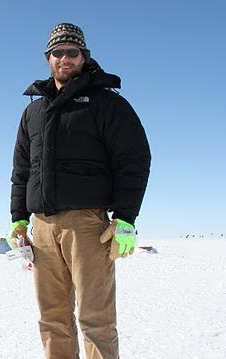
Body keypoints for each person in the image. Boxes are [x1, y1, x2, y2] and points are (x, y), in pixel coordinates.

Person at [10, 23, 151, 359]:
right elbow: (21, 170)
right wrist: (18, 219)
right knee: (52, 319)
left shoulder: (106, 104)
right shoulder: (33, 112)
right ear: (48, 58)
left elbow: (134, 160)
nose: (64, 58)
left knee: (95, 319)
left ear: (84, 56)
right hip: (42, 230)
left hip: (88, 226)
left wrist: (126, 218)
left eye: (72, 52)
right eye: (57, 52)